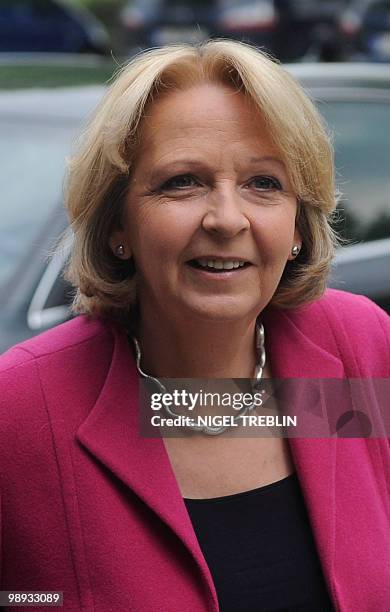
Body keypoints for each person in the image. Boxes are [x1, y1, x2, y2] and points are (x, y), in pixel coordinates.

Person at [0, 40, 389, 612]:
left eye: (264, 183)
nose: (227, 219)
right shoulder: (24, 410)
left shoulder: (356, 347)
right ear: (118, 225)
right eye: (182, 182)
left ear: (299, 225)